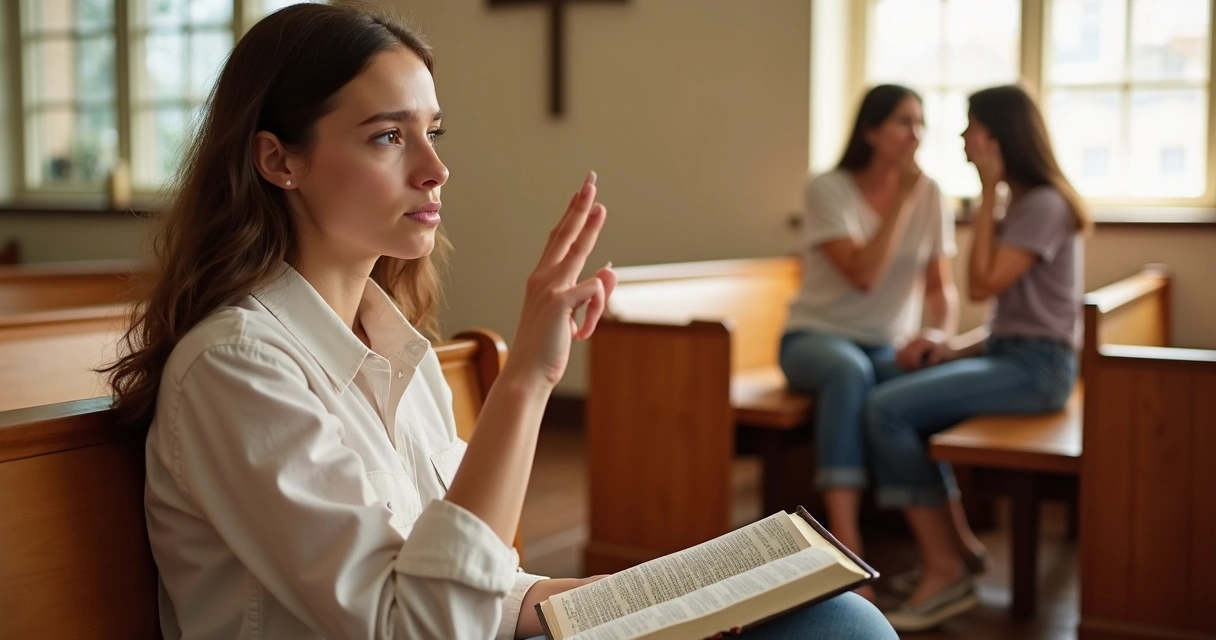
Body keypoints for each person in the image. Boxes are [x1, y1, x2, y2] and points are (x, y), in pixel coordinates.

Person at [104, 4, 896, 638]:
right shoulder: (237, 367)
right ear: (280, 160)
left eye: (433, 132)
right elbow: (422, 626)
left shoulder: (389, 349)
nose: (434, 167)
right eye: (388, 136)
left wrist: (641, 599)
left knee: (827, 615)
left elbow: (478, 582)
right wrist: (528, 379)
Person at [865, 84, 1091, 632]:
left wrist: (988, 193)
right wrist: (950, 348)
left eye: (972, 127)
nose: (964, 138)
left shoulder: (1042, 203)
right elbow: (1006, 320)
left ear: (996, 136)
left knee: (887, 409)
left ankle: (943, 569)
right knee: (895, 377)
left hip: (1037, 371)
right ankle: (959, 551)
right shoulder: (1030, 202)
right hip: (1015, 355)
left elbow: (982, 284)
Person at [779, 84, 969, 597]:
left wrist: (936, 334)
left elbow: (940, 288)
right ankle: (846, 544)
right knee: (848, 371)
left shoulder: (932, 194)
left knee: (916, 391)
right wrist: (902, 200)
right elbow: (863, 274)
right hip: (814, 339)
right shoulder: (828, 187)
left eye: (921, 122)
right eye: (905, 121)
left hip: (885, 347)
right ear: (871, 131)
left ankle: (955, 538)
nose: (917, 134)